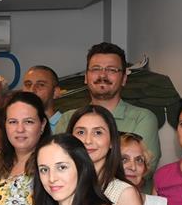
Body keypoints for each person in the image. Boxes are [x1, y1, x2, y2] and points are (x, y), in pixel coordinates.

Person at [55, 42, 161, 173]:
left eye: (111, 70)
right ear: (86, 78)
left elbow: (140, 170)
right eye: (96, 69)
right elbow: (58, 165)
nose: (103, 76)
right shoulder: (68, 118)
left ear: (124, 79)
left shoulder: (143, 118)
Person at [22, 65, 63, 130]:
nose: (32, 90)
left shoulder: (69, 126)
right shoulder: (18, 129)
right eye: (28, 84)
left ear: (55, 92)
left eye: (41, 85)